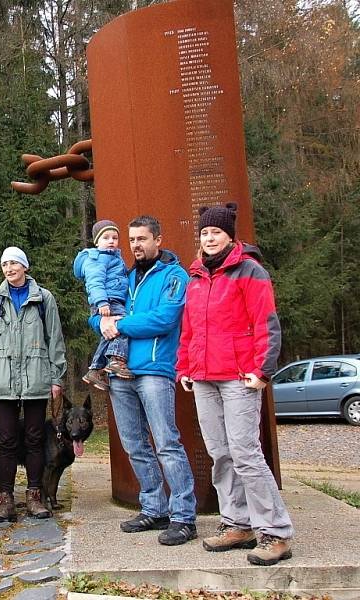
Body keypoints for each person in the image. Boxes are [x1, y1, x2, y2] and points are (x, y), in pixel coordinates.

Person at [177, 203, 293, 566]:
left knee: (245, 453)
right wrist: (185, 366)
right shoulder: (195, 278)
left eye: (216, 233)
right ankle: (237, 523)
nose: (209, 239)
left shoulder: (251, 271)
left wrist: (262, 370)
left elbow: (267, 324)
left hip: (240, 377)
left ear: (230, 236)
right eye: (205, 233)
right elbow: (189, 329)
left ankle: (275, 532)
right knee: (220, 453)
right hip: (203, 377)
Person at [93, 215, 197, 546]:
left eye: (142, 239)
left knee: (167, 442)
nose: (136, 245)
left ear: (158, 240)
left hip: (154, 369)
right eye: (132, 240)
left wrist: (121, 324)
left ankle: (183, 517)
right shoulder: (123, 277)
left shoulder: (174, 276)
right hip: (119, 371)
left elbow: (165, 319)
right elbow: (97, 313)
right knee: (134, 444)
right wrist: (103, 323)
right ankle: (154, 507)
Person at [0, 247, 66, 522]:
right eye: (4, 263)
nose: (9, 268)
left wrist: (56, 377)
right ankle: (5, 500)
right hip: (2, 379)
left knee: (35, 439)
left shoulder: (43, 299)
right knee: (6, 440)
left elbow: (55, 339)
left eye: (14, 262)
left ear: (25, 266)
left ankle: (35, 496)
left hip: (36, 377)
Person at [73, 219, 132, 390]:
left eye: (114, 237)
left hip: (114, 298)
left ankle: (95, 369)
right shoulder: (97, 258)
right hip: (108, 300)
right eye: (106, 237)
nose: (111, 241)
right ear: (97, 241)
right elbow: (95, 281)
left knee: (108, 333)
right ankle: (116, 360)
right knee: (121, 326)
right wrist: (102, 302)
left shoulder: (113, 257)